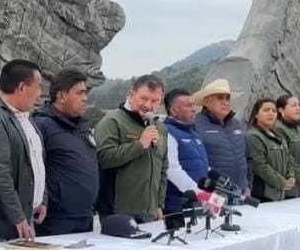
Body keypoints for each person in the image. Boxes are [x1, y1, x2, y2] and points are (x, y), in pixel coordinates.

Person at [0, 59, 46, 244]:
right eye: (38, 87)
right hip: (0, 225)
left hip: (24, 217)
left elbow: (37, 162)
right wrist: (17, 216)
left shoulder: (25, 117)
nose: (40, 93)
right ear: (21, 87)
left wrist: (42, 199)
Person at [32, 69, 98, 235]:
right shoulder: (41, 125)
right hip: (55, 219)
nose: (85, 98)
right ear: (61, 96)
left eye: (86, 93)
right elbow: (33, 170)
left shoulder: (83, 126)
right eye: (80, 93)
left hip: (85, 215)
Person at [95, 75, 168, 223]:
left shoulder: (160, 128)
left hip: (150, 213)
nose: (148, 105)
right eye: (143, 98)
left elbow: (162, 169)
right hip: (118, 212)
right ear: (131, 94)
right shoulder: (112, 121)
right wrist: (139, 145)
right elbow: (103, 159)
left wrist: (159, 204)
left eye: (154, 101)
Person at [193, 79, 249, 196]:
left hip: (241, 193)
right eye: (220, 98)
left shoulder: (236, 124)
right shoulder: (196, 125)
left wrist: (247, 185)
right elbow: (195, 163)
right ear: (207, 102)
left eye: (227, 98)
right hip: (214, 194)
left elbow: (246, 157)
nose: (225, 102)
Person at [162, 88, 209, 224]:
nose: (193, 109)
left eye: (193, 105)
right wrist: (199, 193)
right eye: (188, 106)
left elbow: (203, 165)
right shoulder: (167, 133)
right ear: (173, 110)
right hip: (176, 205)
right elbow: (172, 170)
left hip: (197, 202)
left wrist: (212, 190)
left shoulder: (193, 133)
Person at [246, 98, 294, 202]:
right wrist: (281, 182)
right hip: (262, 194)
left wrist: (291, 176)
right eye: (266, 110)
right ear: (256, 114)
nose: (271, 113)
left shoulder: (279, 136)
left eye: (274, 111)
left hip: (279, 193)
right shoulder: (253, 136)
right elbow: (259, 165)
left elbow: (289, 159)